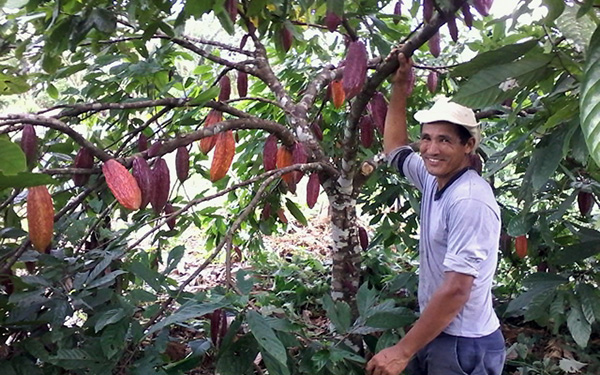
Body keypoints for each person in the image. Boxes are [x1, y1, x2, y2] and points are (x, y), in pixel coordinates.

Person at [365, 54, 505, 375]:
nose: (431, 149)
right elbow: (396, 149)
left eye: (444, 140)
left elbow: (457, 288)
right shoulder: (433, 176)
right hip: (436, 331)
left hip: (464, 344)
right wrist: (400, 87)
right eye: (426, 138)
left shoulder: (470, 200)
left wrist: (402, 351)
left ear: (468, 145)